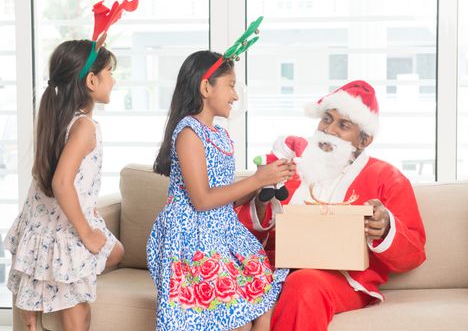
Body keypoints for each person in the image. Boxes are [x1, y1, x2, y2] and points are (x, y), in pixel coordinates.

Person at [237, 80, 427, 330]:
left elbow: (413, 255)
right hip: (276, 270)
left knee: (304, 284)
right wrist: (261, 204)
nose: (330, 130)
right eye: (326, 119)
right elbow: (242, 235)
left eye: (343, 125)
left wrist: (386, 227)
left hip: (343, 280)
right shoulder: (292, 168)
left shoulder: (387, 178)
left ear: (364, 140)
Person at [146, 50, 293, 331]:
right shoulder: (189, 133)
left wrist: (264, 183)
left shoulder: (220, 134)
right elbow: (201, 200)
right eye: (231, 85)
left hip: (222, 232)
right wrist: (255, 179)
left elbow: (225, 197)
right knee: (235, 322)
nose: (236, 95)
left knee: (265, 302)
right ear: (205, 87)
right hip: (193, 239)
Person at [4, 40, 124, 331]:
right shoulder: (84, 127)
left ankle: (39, 286)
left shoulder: (59, 120)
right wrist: (85, 232)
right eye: (109, 72)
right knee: (79, 314)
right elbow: (61, 182)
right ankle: (56, 280)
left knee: (117, 251)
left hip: (40, 225)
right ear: (91, 80)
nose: (114, 79)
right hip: (63, 233)